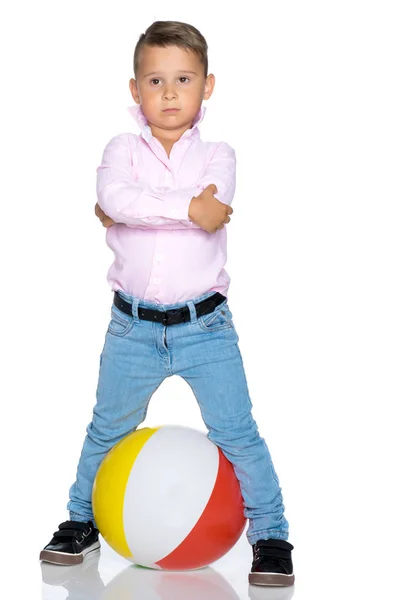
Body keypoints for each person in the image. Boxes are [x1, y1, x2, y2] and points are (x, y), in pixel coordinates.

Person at [39, 20, 295, 587]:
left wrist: (134, 209)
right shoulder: (120, 149)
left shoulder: (220, 156)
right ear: (135, 90)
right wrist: (179, 209)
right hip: (131, 329)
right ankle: (80, 522)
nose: (170, 92)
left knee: (237, 432)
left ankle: (271, 536)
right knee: (106, 429)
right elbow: (116, 198)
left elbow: (165, 205)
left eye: (184, 78)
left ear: (208, 86)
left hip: (205, 327)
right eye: (156, 80)